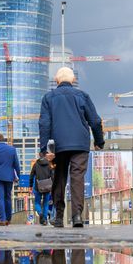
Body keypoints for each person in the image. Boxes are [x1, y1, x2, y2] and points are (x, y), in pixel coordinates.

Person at [39, 67, 105, 228]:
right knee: (77, 178)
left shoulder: (48, 97)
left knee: (59, 178)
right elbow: (95, 121)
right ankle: (77, 216)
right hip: (80, 145)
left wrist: (44, 149)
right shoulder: (82, 96)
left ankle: (59, 217)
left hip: (59, 145)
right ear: (73, 79)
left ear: (56, 80)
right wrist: (99, 141)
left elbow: (44, 123)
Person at [30, 154, 55, 225]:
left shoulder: (36, 164)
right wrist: (52, 186)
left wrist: (31, 185)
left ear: (39, 156)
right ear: (45, 156)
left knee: (37, 202)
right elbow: (52, 176)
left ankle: (40, 213)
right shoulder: (49, 165)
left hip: (38, 187)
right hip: (47, 186)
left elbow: (31, 175)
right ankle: (44, 219)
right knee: (46, 203)